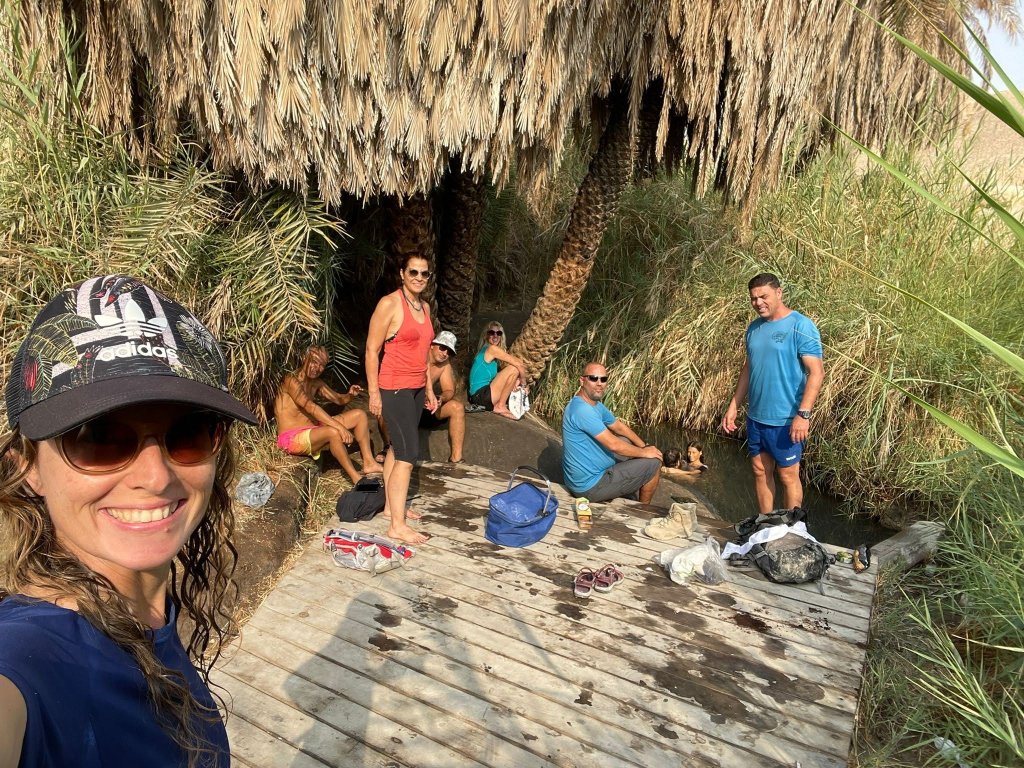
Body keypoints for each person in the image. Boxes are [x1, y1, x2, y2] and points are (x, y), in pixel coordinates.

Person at [0, 274, 258, 768]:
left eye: (189, 433)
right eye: (98, 438)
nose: (156, 477)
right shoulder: (29, 659)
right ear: (27, 466)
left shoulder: (148, 618)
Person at [722, 272, 824, 514]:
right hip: (756, 417)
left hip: (786, 419)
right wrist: (734, 405)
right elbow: (748, 368)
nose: (758, 302)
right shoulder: (754, 328)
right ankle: (765, 522)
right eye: (754, 298)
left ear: (779, 293)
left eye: (764, 296)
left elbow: (817, 372)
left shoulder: (800, 325)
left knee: (788, 475)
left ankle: (793, 528)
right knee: (760, 470)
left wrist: (803, 415)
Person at [366, 254, 437, 545]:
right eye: (413, 272)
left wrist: (429, 390)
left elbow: (425, 355)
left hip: (416, 388)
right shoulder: (390, 304)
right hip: (394, 388)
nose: (419, 277)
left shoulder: (425, 307)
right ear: (402, 273)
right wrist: (373, 393)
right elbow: (372, 350)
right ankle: (397, 525)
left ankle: (389, 508)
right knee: (408, 456)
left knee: (398, 448)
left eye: (424, 273)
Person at [274, 346, 384, 483]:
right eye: (314, 362)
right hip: (291, 438)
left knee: (360, 415)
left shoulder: (316, 383)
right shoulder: (290, 380)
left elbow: (338, 399)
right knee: (333, 432)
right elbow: (310, 407)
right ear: (304, 358)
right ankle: (357, 479)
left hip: (313, 429)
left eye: (322, 365)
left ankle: (369, 463)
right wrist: (340, 427)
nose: (317, 368)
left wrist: (350, 395)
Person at [561, 362, 663, 504]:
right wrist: (645, 453)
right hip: (590, 486)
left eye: (603, 379)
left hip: (592, 472)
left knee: (626, 441)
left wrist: (644, 446)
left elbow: (618, 427)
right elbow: (613, 445)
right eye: (593, 378)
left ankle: (629, 481)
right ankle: (643, 510)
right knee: (654, 463)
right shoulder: (582, 410)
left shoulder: (594, 404)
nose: (599, 383)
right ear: (582, 381)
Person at [419, 331, 465, 463]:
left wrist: (440, 398)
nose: (445, 353)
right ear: (432, 345)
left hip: (428, 409)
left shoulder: (445, 365)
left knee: (457, 407)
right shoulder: (419, 355)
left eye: (449, 352)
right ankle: (387, 448)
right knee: (387, 406)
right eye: (443, 348)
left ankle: (456, 458)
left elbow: (449, 390)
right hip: (409, 405)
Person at [467, 321, 528, 420]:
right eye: (492, 333)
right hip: (480, 396)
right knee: (514, 368)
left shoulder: (488, 352)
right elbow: (519, 364)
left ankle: (499, 405)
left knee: (514, 374)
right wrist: (523, 385)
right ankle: (500, 406)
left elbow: (500, 378)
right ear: (486, 335)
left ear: (501, 336)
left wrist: (515, 382)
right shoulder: (492, 349)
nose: (495, 336)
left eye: (498, 333)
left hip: (479, 396)